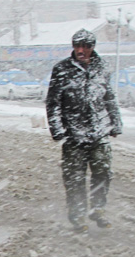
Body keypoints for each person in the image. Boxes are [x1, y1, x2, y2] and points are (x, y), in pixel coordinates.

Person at [46, 28, 123, 232]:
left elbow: (109, 97)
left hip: (99, 131)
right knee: (74, 178)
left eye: (85, 46)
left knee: (103, 172)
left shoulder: (102, 67)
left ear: (92, 47)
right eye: (77, 46)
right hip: (74, 133)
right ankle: (78, 216)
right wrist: (57, 129)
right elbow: (53, 102)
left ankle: (98, 209)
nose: (81, 50)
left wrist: (115, 123)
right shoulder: (62, 69)